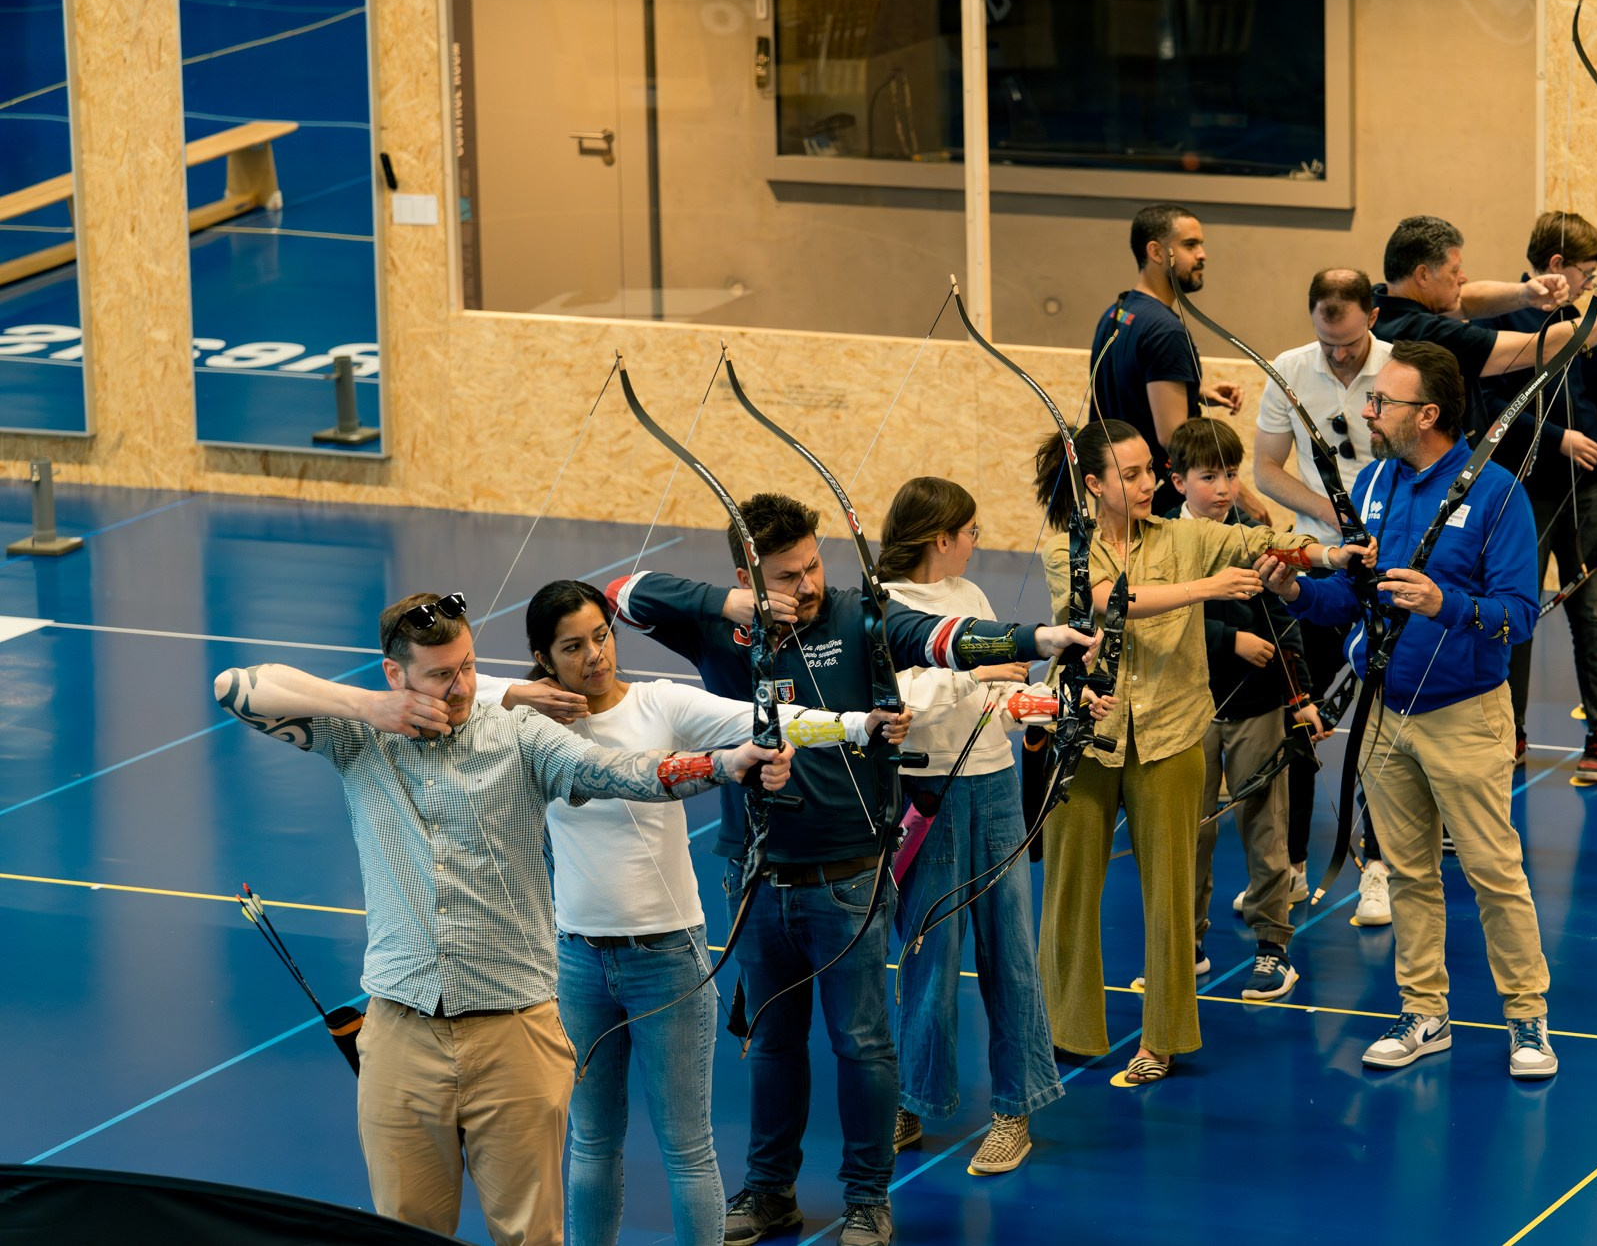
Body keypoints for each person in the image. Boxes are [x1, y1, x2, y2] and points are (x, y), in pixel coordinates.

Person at [210, 591, 792, 1246]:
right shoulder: (358, 736)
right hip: (402, 1034)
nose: (461, 688)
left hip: (514, 1035)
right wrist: (368, 707)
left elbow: (622, 772)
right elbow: (233, 686)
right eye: (439, 674)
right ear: (395, 675)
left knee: (530, 1239)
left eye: (467, 667)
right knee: (405, 1232)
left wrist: (724, 765)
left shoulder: (519, 733)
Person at [605, 494, 1102, 1246]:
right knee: (771, 1044)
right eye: (785, 574)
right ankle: (770, 1190)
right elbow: (616, 595)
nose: (807, 584)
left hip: (850, 874)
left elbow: (946, 637)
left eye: (813, 564)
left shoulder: (858, 616)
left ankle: (869, 1200)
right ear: (748, 573)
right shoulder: (722, 623)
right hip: (759, 874)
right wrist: (736, 604)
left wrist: (1040, 636)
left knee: (864, 1044)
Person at [475, 579, 895, 1246]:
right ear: (543, 655)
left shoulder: (657, 702)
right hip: (578, 961)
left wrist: (859, 725)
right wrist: (521, 693)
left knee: (687, 1146)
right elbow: (448, 692)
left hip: (667, 959)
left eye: (601, 636)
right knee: (590, 1143)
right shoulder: (528, 724)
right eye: (573, 646)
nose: (594, 655)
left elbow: (771, 723)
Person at [1257, 342, 1559, 1080]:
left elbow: (1519, 615)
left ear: (1427, 414)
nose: (1367, 410)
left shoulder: (1495, 495)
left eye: (1382, 402)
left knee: (1493, 871)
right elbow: (1355, 596)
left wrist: (1444, 601)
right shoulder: (1377, 485)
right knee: (1408, 873)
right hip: (1386, 710)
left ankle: (1528, 1020)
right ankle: (1425, 1011)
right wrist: (1296, 593)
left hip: (1465, 714)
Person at [1033, 418, 1355, 1086]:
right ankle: (1064, 1028)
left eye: (1151, 469)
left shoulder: (1186, 536)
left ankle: (1165, 1035)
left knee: (1173, 891)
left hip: (1173, 732)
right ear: (1093, 484)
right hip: (1087, 734)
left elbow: (1260, 538)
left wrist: (1326, 556)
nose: (1148, 482)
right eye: (1130, 473)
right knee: (1068, 886)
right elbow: (1109, 603)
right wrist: (1209, 588)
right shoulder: (1068, 547)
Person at [877, 477, 1103, 1177]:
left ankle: (1015, 1109)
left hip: (995, 788)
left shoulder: (970, 599)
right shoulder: (882, 609)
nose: (979, 541)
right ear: (939, 537)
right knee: (927, 951)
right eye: (970, 531)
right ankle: (912, 1096)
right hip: (926, 794)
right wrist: (976, 671)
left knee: (1008, 950)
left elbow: (1000, 695)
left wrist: (1055, 705)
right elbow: (910, 702)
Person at [1165, 418, 1327, 1001]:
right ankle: (1188, 942)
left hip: (1258, 706)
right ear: (1177, 480)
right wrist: (1226, 640)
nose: (1224, 489)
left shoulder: (1250, 532)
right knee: (1192, 831)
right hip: (1188, 709)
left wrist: (1300, 696)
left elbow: (1284, 618)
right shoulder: (1163, 540)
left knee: (1265, 825)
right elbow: (1157, 617)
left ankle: (1272, 944)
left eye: (1231, 475)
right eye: (1209, 477)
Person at [1251, 266, 1393, 924]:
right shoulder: (1288, 368)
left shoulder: (1401, 372)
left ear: (1372, 315)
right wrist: (1337, 519)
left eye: (1350, 342)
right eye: (1326, 341)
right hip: (1319, 557)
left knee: (1380, 721)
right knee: (1300, 711)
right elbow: (1268, 470)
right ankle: (1294, 864)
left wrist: (1376, 518)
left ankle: (1380, 865)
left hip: (1391, 562)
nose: (1338, 355)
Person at [1474, 211, 1597, 780]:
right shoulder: (1502, 320)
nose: (1593, 283)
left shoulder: (1585, 318)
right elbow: (1493, 412)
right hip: (1522, 495)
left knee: (1590, 614)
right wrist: (1559, 439)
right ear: (1556, 265)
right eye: (1588, 272)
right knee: (1517, 616)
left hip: (1586, 493)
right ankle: (1508, 731)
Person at [1371, 214, 1597, 433]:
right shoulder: (1423, 331)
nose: (1463, 278)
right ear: (1423, 275)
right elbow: (1537, 348)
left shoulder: (1380, 301)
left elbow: (1465, 300)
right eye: (1455, 270)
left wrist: (1525, 294)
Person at [1088, 202, 1270, 519]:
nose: (1202, 255)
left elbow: (1131, 383)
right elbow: (1175, 438)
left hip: (1118, 496)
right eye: (1190, 245)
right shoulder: (1166, 331)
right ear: (1157, 252)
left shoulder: (1118, 312)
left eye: (1201, 244)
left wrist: (1192, 391)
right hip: (1158, 504)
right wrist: (1242, 499)